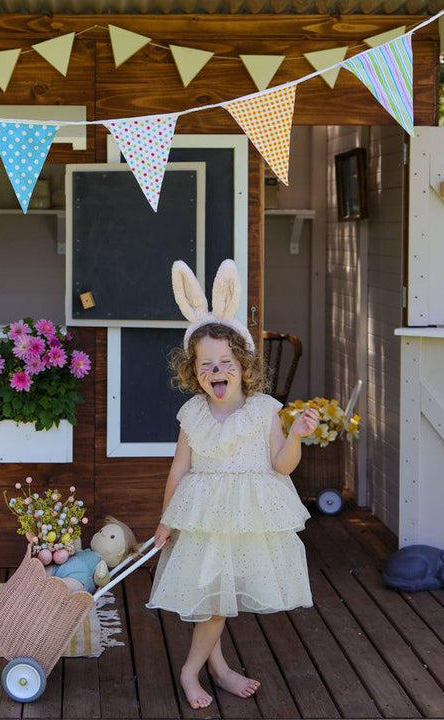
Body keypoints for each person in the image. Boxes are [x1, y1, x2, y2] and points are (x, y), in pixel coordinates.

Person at [147, 259, 320, 709]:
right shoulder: (194, 414)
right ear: (193, 371)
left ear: (243, 366)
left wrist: (297, 436)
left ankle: (215, 668)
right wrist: (167, 520)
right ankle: (192, 670)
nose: (216, 371)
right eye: (206, 365)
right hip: (204, 519)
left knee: (216, 598)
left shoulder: (264, 410)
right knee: (214, 600)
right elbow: (178, 470)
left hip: (245, 520)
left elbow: (282, 466)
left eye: (225, 362)